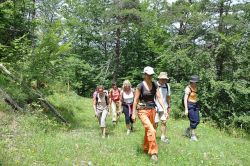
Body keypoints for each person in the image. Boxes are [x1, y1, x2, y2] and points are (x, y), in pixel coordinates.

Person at [132, 66, 167, 162]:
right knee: (152, 130)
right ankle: (153, 153)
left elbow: (159, 97)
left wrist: (164, 109)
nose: (150, 76)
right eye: (148, 75)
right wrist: (133, 113)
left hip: (152, 110)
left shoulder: (155, 84)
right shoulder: (140, 86)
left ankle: (146, 147)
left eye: (151, 75)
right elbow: (135, 100)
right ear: (144, 74)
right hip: (142, 110)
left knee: (148, 130)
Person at [154, 72, 171, 143]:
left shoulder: (167, 86)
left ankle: (163, 137)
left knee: (164, 122)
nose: (163, 80)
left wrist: (169, 106)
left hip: (164, 107)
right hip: (155, 107)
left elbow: (168, 97)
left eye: (165, 79)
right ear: (159, 78)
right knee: (155, 123)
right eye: (162, 79)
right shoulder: (154, 85)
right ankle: (153, 137)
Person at [184, 75, 200, 141]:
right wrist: (186, 109)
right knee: (193, 120)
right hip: (190, 105)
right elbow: (185, 99)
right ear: (192, 82)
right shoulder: (188, 88)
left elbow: (195, 96)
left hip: (195, 105)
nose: (196, 83)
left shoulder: (196, 87)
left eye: (197, 82)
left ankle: (188, 129)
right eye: (195, 82)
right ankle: (193, 136)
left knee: (197, 120)